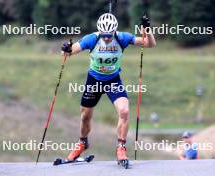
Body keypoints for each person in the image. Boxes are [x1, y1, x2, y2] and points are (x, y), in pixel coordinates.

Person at [61, 13, 156, 162]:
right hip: (94, 80)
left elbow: (149, 44)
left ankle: (121, 147)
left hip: (113, 80)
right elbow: (68, 52)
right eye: (104, 35)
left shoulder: (122, 37)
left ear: (114, 31)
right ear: (100, 31)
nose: (106, 38)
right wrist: (65, 49)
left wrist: (147, 30)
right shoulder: (91, 39)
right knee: (85, 117)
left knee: (124, 111)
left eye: (109, 35)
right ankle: (82, 143)